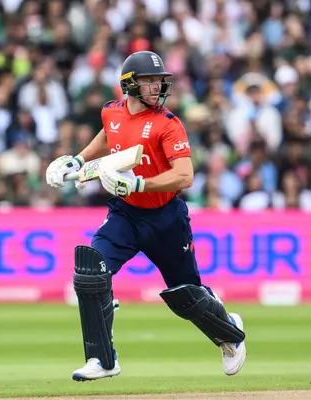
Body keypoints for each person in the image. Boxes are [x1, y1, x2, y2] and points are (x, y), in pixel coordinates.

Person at [45, 51, 247, 381]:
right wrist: (79, 161)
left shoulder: (168, 124)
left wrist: (140, 182)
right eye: (149, 81)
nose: (156, 86)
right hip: (126, 214)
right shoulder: (111, 111)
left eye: (158, 80)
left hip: (166, 218)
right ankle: (103, 360)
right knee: (90, 272)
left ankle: (230, 333)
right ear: (129, 85)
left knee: (187, 297)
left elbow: (185, 176)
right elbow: (110, 133)